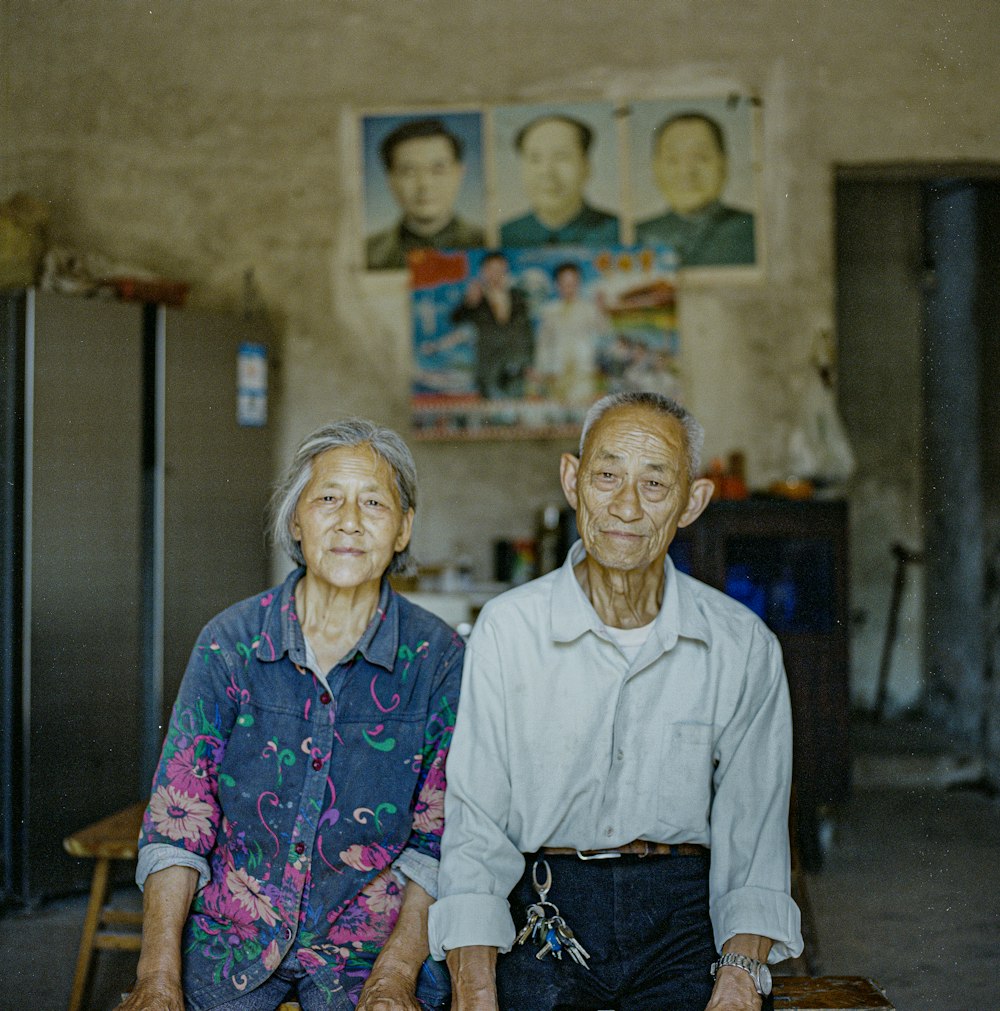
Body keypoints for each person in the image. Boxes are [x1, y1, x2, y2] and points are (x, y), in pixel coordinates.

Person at [428, 391, 803, 1010]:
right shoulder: (509, 629)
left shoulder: (741, 645)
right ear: (573, 481)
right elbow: (477, 828)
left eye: (655, 484)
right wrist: (474, 988)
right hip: (545, 904)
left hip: (684, 913)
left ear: (692, 502)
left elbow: (754, 835)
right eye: (607, 476)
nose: (626, 506)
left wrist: (738, 979)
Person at [118, 419, 464, 1011]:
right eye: (328, 499)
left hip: (370, 949)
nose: (349, 521)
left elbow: (439, 842)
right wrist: (157, 979)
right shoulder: (231, 642)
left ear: (403, 528)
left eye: (374, 503)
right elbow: (179, 827)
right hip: (232, 935)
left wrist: (396, 976)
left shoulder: (437, 658)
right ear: (297, 522)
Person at [636, 112, 756, 267]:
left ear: (724, 164)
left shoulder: (754, 231)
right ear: (655, 169)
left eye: (701, 157)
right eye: (672, 160)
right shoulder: (636, 236)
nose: (686, 172)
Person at [367, 118, 485, 270]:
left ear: (459, 174)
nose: (424, 185)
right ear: (391, 181)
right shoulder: (367, 253)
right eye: (408, 171)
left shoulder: (486, 242)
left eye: (438, 169)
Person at [500, 114, 619, 248]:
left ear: (587, 167)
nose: (546, 171)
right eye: (535, 159)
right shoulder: (503, 235)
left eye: (562, 157)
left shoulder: (617, 232)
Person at [450, 252, 534, 400]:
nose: (496, 274)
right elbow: (455, 319)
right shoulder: (475, 297)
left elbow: (527, 331)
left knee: (517, 412)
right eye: (492, 270)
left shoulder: (518, 296)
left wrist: (528, 362)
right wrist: (469, 303)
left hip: (515, 365)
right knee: (491, 413)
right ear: (483, 272)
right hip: (488, 365)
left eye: (501, 270)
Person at [533, 261, 607, 405]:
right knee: (557, 417)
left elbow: (603, 331)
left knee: (582, 413)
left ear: (579, 283)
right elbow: (543, 344)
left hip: (583, 372)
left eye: (573, 283)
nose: (569, 288)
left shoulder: (589, 309)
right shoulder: (548, 311)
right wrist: (540, 371)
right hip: (555, 373)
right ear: (556, 284)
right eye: (564, 283)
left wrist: (601, 311)